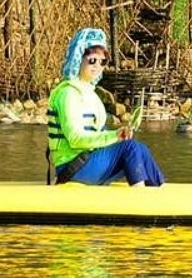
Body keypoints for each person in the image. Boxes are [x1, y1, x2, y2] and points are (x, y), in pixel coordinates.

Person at [46, 27, 165, 187]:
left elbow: (97, 136)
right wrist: (114, 136)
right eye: (92, 60)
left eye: (102, 62)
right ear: (78, 58)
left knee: (140, 149)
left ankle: (160, 189)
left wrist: (118, 135)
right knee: (130, 148)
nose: (97, 66)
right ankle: (140, 199)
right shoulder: (68, 94)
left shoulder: (90, 93)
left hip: (88, 160)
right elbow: (75, 139)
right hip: (72, 167)